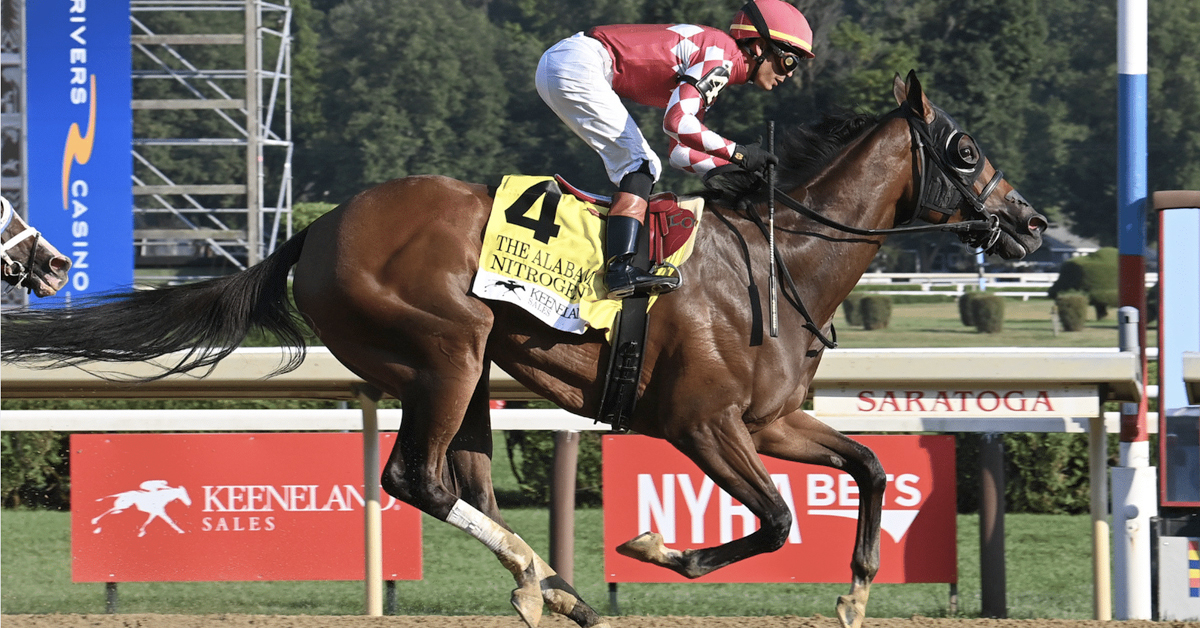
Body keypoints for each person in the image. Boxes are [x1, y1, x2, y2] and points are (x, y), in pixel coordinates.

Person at [536, 0, 815, 299]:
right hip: (579, 63)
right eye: (789, 61)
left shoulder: (716, 61)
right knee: (640, 164)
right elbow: (677, 122)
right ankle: (620, 270)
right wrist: (739, 153)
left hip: (569, 62)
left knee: (644, 164)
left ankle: (621, 265)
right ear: (759, 47)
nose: (788, 74)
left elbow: (680, 154)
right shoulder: (720, 55)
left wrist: (738, 169)